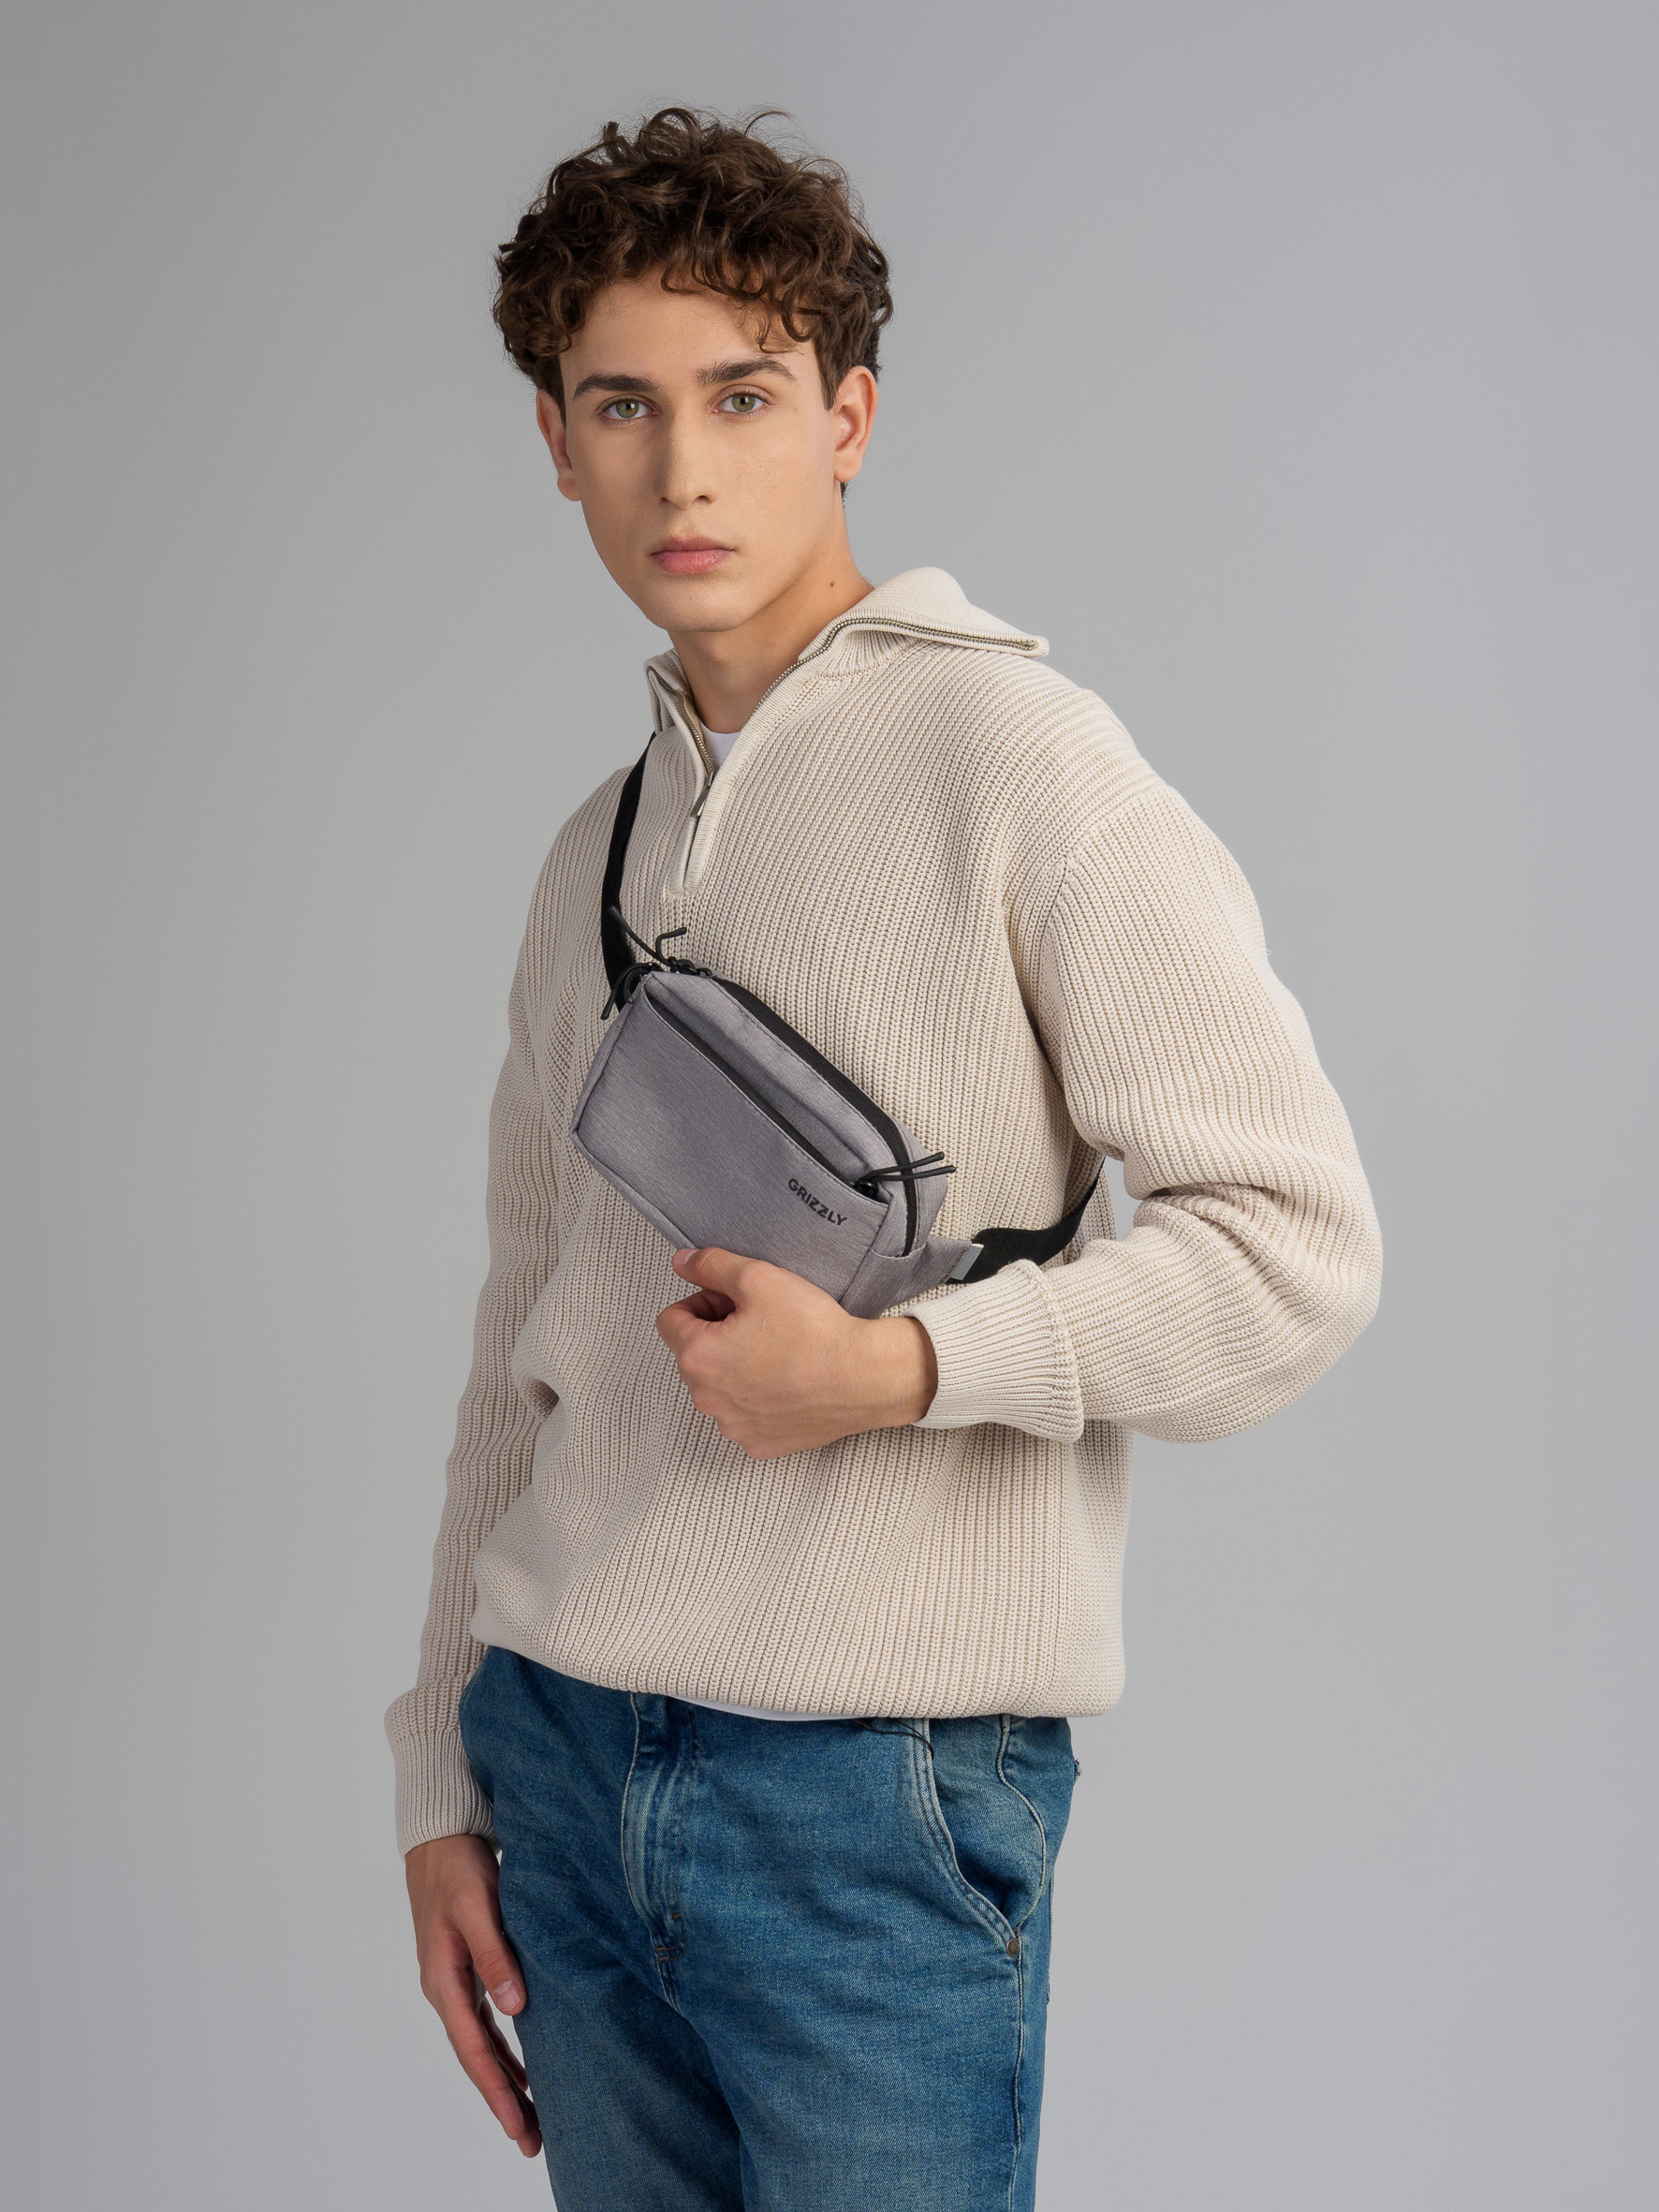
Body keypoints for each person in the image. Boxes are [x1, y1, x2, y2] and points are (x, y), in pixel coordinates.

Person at [386, 106, 1383, 2212]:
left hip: (871, 1792)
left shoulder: (1024, 764)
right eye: (622, 404)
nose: (683, 469)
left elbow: (1295, 1252)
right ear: (554, 441)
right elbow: (517, 1337)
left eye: (743, 395)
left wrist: (903, 1370)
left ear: (847, 417)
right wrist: (441, 1771)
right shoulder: (596, 850)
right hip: (561, 1752)